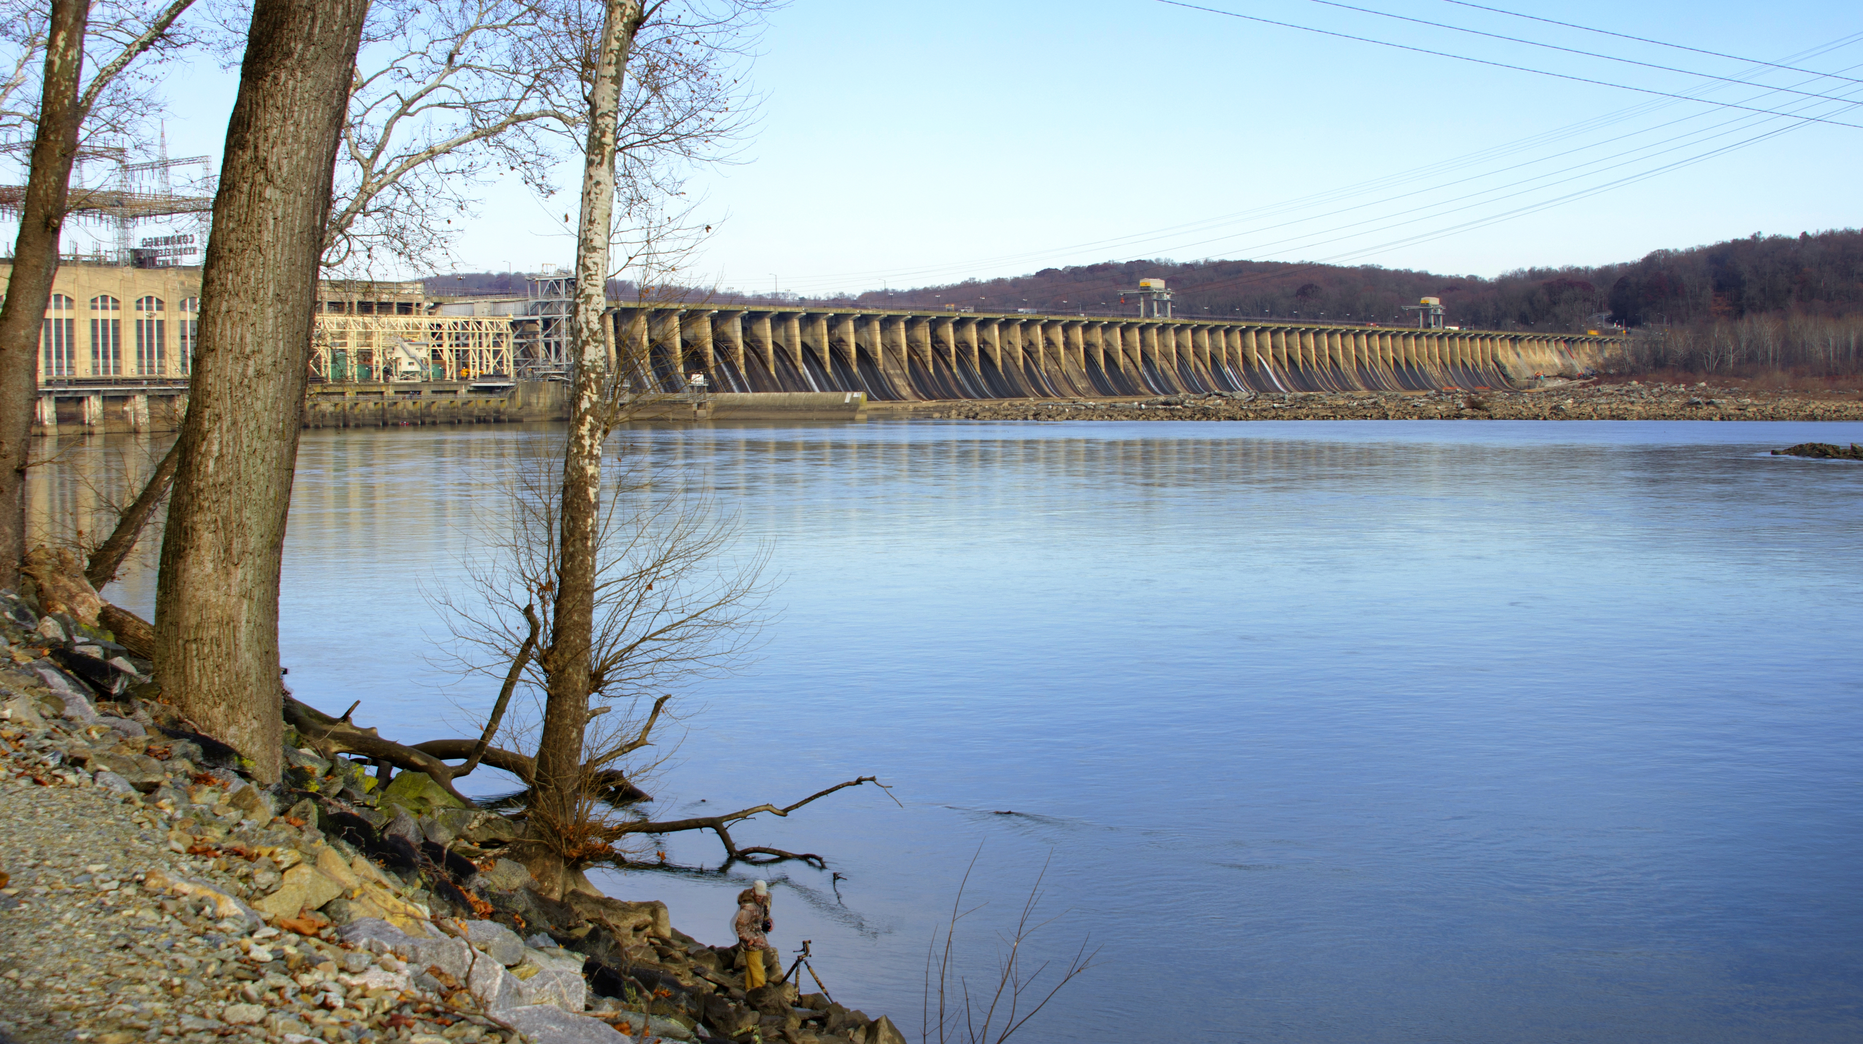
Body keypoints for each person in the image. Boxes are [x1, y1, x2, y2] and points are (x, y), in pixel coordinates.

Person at [732, 879, 778, 989]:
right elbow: (739, 926)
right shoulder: (748, 908)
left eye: (762, 896)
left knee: (751, 968)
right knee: (757, 969)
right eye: (758, 896)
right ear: (753, 891)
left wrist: (767, 919)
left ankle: (750, 992)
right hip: (752, 941)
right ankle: (760, 994)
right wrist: (751, 939)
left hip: (757, 938)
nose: (760, 898)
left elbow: (768, 899)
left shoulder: (763, 899)